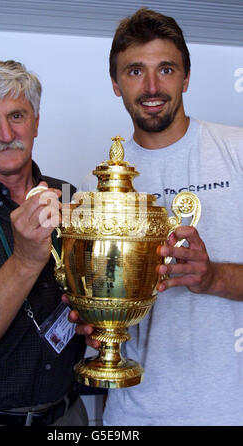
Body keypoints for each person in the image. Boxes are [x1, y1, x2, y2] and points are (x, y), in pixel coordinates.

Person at [70, 8, 243, 426]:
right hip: (135, 414)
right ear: (115, 83)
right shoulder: (99, 188)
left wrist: (213, 277)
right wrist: (93, 320)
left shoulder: (236, 152)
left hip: (230, 409)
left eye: (166, 69)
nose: (151, 87)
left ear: (186, 78)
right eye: (134, 71)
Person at [0, 60, 88, 426]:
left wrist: (100, 324)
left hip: (67, 417)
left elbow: (93, 301)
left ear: (36, 121)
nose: (5, 133)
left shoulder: (73, 198)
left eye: (17, 116)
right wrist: (24, 261)